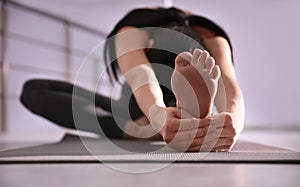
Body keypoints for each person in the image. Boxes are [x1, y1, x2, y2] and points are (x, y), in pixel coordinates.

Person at [20, 7, 245, 152]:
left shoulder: (133, 28)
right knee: (196, 77)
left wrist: (156, 115)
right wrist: (233, 119)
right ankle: (189, 113)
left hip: (133, 109)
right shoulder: (211, 35)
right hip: (151, 108)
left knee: (34, 90)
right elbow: (229, 85)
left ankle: (135, 128)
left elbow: (141, 77)